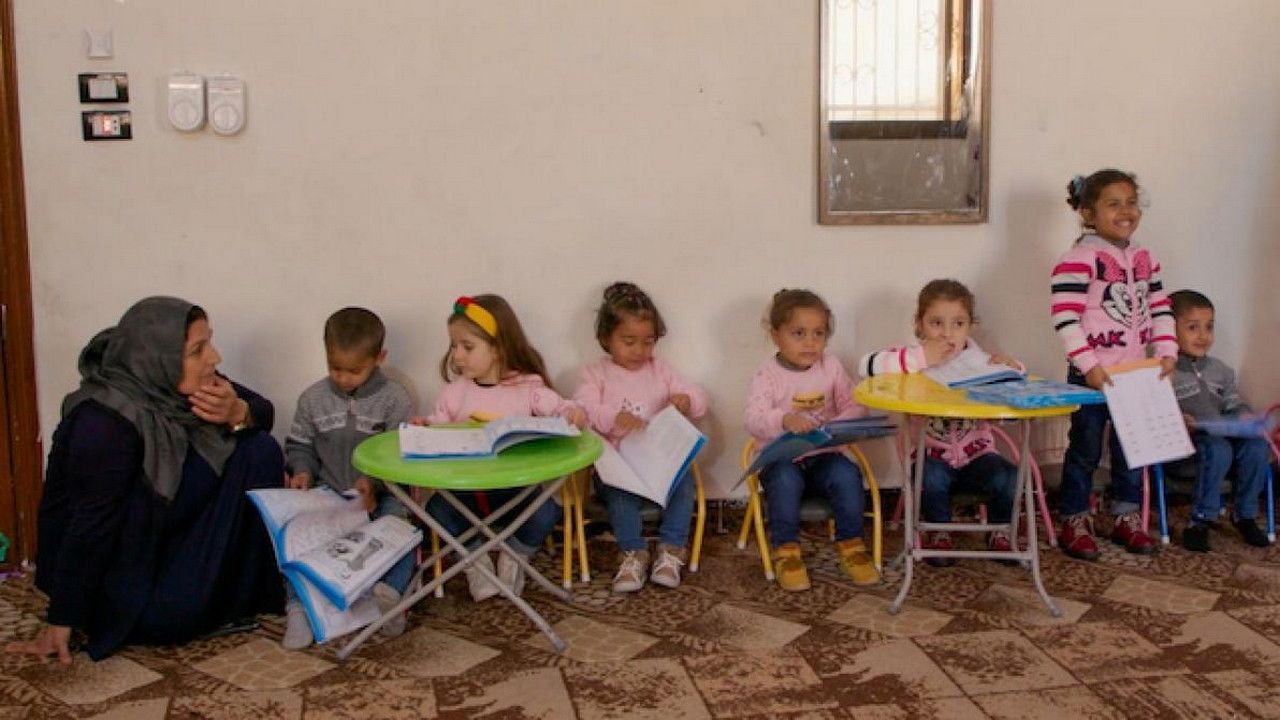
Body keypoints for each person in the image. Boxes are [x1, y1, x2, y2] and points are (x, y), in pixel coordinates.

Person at [7, 297, 284, 664]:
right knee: (170, 616)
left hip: (170, 535)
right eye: (197, 351)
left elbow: (262, 409)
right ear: (158, 357)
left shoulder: (171, 386)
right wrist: (63, 618)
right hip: (127, 570)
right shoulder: (104, 424)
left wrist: (238, 411)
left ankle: (240, 593)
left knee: (259, 449)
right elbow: (88, 523)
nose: (214, 357)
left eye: (209, 343)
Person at [417, 295, 587, 601]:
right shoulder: (453, 393)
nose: (457, 355)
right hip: (465, 494)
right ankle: (474, 561)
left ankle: (515, 555)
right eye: (454, 346)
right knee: (436, 510)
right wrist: (424, 428)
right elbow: (437, 429)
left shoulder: (528, 388)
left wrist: (573, 414)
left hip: (516, 493)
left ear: (497, 349)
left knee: (547, 510)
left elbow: (562, 408)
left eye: (467, 347)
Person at [1050, 169, 1178, 560]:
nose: (1126, 212)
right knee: (1085, 450)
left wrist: (1167, 349)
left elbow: (1160, 307)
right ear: (1088, 213)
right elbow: (1065, 318)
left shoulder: (1145, 258)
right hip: (1092, 376)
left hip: (1134, 374)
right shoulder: (1078, 259)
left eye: (1131, 203)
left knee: (1131, 450)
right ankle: (1074, 518)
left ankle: (1126, 515)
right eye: (1113, 204)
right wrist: (1089, 365)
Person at [859, 279, 1021, 565]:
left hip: (978, 455)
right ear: (919, 325)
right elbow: (867, 366)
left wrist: (1013, 368)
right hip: (931, 456)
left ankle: (1000, 531)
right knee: (930, 477)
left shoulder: (980, 361)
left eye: (958, 324)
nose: (947, 333)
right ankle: (938, 531)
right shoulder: (911, 360)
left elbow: (1016, 385)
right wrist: (921, 357)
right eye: (936, 323)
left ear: (970, 326)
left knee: (1009, 476)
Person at [282, 307, 416, 648]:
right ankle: (299, 608)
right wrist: (302, 471)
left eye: (354, 371)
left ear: (379, 358)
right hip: (327, 494)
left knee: (401, 531)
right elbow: (300, 445)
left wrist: (375, 484)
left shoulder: (395, 400)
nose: (342, 378)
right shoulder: (313, 399)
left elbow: (400, 454)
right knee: (294, 538)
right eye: (335, 368)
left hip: (381, 494)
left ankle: (391, 596)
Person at [574, 282, 709, 592]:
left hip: (659, 464)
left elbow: (699, 400)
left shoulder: (660, 370)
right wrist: (614, 417)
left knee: (684, 481)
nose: (639, 351)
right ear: (606, 338)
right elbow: (583, 410)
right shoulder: (595, 374)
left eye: (648, 342)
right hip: (620, 468)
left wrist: (686, 400)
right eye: (629, 341)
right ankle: (633, 553)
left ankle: (671, 550)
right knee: (619, 493)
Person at [745, 288, 877, 591]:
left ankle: (851, 544)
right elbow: (752, 419)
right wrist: (783, 420)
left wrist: (834, 425)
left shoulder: (831, 367)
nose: (810, 342)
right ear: (776, 335)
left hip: (823, 455)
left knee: (847, 474)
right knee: (784, 480)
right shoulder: (767, 375)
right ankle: (787, 551)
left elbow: (857, 405)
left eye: (819, 333)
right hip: (782, 459)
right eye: (799, 333)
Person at [1168, 290, 1272, 551]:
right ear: (1169, 330)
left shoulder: (1221, 371)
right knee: (1218, 447)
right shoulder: (1165, 372)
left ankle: (1245, 515)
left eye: (1209, 327)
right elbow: (1154, 413)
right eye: (1193, 328)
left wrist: (1244, 415)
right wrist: (1176, 420)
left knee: (1257, 445)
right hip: (1186, 453)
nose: (1203, 336)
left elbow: (1233, 404)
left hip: (1222, 446)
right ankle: (1200, 520)